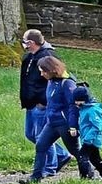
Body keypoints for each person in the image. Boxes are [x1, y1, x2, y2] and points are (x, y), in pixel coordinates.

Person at [18, 56, 94, 184]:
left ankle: (88, 173)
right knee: (40, 146)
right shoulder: (51, 82)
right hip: (51, 123)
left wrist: (73, 125)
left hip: (65, 124)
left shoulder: (67, 83)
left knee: (76, 151)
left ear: (52, 70)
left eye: (43, 71)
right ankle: (35, 177)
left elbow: (73, 106)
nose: (41, 74)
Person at [19, 29, 69, 176]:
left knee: (43, 137)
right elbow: (27, 80)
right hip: (31, 102)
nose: (23, 44)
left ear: (31, 43)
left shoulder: (48, 56)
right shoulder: (29, 57)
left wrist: (45, 100)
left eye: (25, 41)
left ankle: (49, 167)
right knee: (30, 134)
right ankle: (62, 155)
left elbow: (57, 78)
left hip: (42, 103)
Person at [73, 86, 102, 179]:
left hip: (91, 139)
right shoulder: (84, 109)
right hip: (87, 138)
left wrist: (88, 138)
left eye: (79, 100)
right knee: (95, 159)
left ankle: (85, 177)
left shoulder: (93, 110)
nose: (77, 103)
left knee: (82, 157)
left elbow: (97, 126)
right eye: (75, 100)